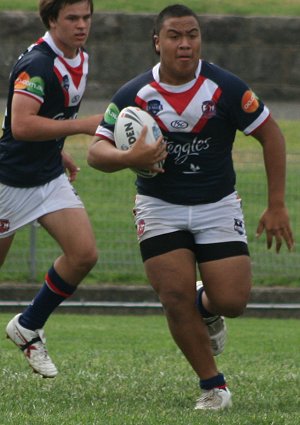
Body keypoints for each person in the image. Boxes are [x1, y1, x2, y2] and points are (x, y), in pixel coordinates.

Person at [87, 4, 294, 410]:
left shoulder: (225, 88)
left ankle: (207, 305)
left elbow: (271, 135)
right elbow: (96, 152)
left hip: (216, 204)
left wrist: (276, 205)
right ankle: (213, 386)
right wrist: (130, 158)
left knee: (232, 301)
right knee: (173, 295)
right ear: (157, 42)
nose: (185, 44)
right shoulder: (134, 95)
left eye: (193, 35)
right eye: (175, 36)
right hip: (158, 205)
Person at [1, 0, 102, 378]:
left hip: (47, 177)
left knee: (83, 254)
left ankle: (28, 327)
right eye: (72, 18)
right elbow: (22, 126)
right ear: (51, 20)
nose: (81, 25)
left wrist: (58, 155)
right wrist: (83, 126)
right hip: (9, 182)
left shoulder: (80, 58)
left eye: (86, 17)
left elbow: (51, 117)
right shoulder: (38, 64)